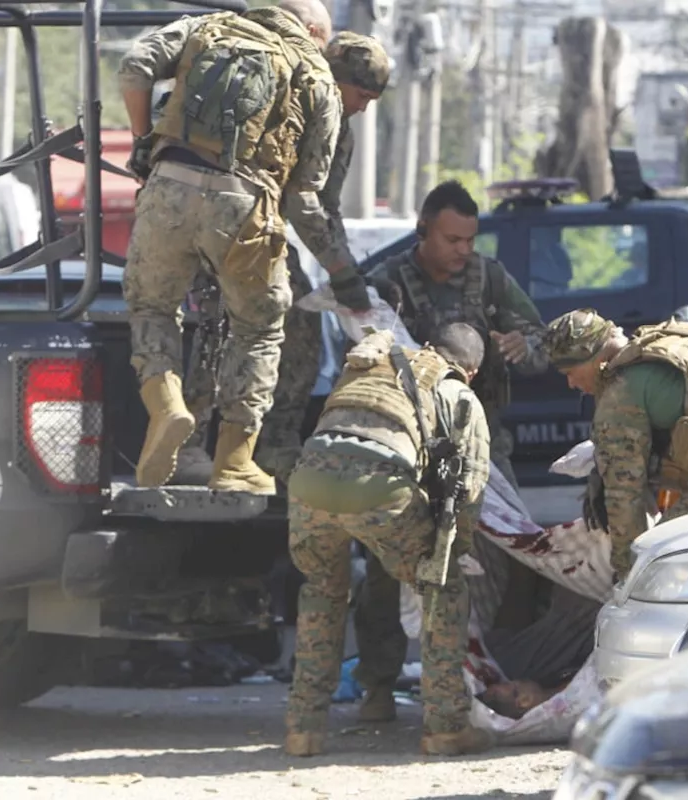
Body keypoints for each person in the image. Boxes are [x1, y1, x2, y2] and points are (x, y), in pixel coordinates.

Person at [116, 0, 371, 496]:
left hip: (168, 184)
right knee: (257, 330)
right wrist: (342, 271)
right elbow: (303, 198)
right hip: (244, 206)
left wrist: (143, 139)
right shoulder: (316, 75)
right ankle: (233, 462)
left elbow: (134, 67)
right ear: (315, 30)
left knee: (151, 306)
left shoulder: (207, 27)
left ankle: (166, 405)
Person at [354, 180, 551, 721]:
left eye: (470, 238)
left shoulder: (490, 278)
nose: (463, 250)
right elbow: (362, 349)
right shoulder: (388, 282)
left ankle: (492, 675)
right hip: (408, 447)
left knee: (511, 553)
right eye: (452, 239)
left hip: (482, 442)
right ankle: (377, 684)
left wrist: (521, 346)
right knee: (385, 565)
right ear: (423, 231)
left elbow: (540, 339)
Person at [175, 31, 392, 486]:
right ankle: (189, 446)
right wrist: (339, 267)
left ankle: (276, 443)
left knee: (302, 323)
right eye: (361, 95)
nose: (363, 107)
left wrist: (344, 269)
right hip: (220, 222)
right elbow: (300, 200)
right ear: (334, 80)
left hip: (266, 232)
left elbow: (325, 206)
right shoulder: (285, 102)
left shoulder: (340, 129)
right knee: (221, 323)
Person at [284, 322, 495, 757]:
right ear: (471, 371)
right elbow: (471, 490)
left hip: (308, 482)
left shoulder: (372, 368)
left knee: (322, 594)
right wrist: (452, 555)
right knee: (442, 591)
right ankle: (445, 726)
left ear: (432, 347)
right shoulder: (459, 394)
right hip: (378, 486)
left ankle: (304, 730)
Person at [542, 309, 688, 581]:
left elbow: (624, 495)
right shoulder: (672, 339)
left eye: (570, 372)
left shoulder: (620, 395)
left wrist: (628, 571)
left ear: (593, 358)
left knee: (662, 558)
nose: (570, 383)